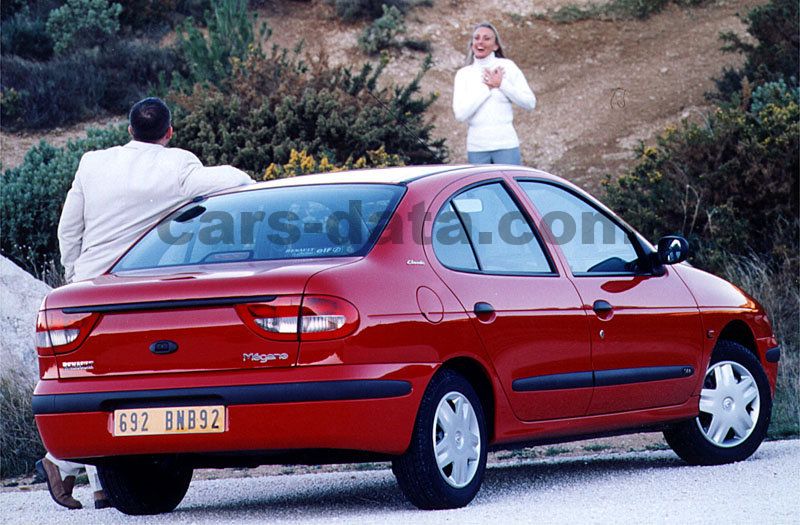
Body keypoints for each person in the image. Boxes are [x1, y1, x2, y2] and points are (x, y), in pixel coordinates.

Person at [38, 97, 253, 510]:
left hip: (87, 285)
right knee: (126, 379)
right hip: (138, 288)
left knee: (92, 381)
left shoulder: (92, 162)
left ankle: (102, 483)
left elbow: (70, 226)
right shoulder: (178, 166)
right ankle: (61, 462)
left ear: (129, 130)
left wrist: (72, 275)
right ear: (169, 132)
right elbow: (233, 181)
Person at [452, 22, 536, 165]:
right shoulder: (463, 75)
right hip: (477, 148)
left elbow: (530, 103)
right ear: (472, 43)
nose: (480, 42)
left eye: (487, 38)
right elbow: (460, 115)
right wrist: (487, 88)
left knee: (509, 187)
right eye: (476, 38)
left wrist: (502, 84)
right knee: (482, 189)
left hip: (506, 145)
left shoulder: (508, 67)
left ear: (496, 45)